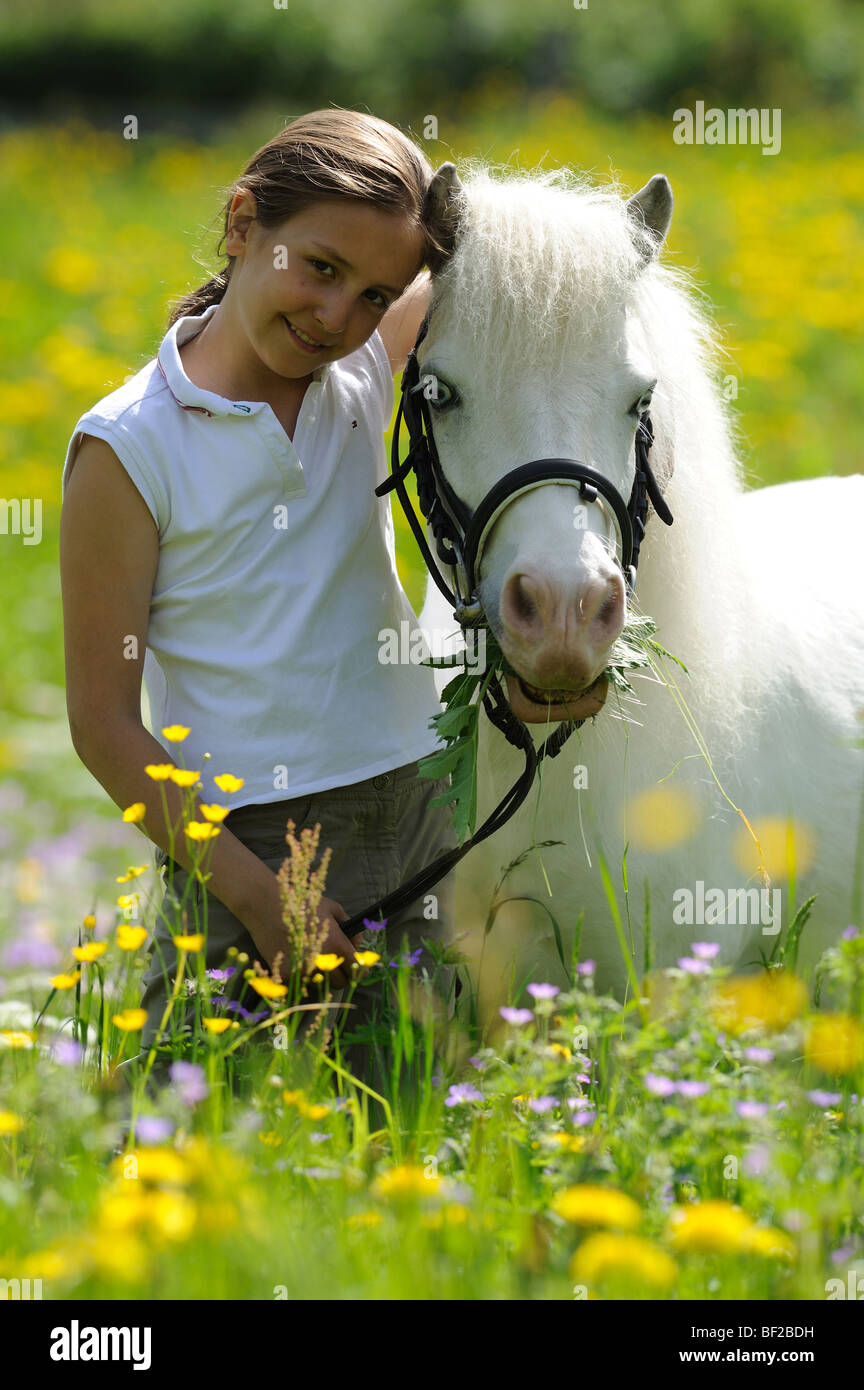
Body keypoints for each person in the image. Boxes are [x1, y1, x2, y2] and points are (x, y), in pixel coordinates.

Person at [59, 108, 461, 1091]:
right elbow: (105, 725)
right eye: (319, 269)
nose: (338, 318)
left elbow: (478, 271)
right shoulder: (130, 446)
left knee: (404, 1140)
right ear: (243, 225)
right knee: (185, 1150)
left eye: (374, 295)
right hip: (237, 846)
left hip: (413, 817)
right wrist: (253, 891)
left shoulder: (362, 369)